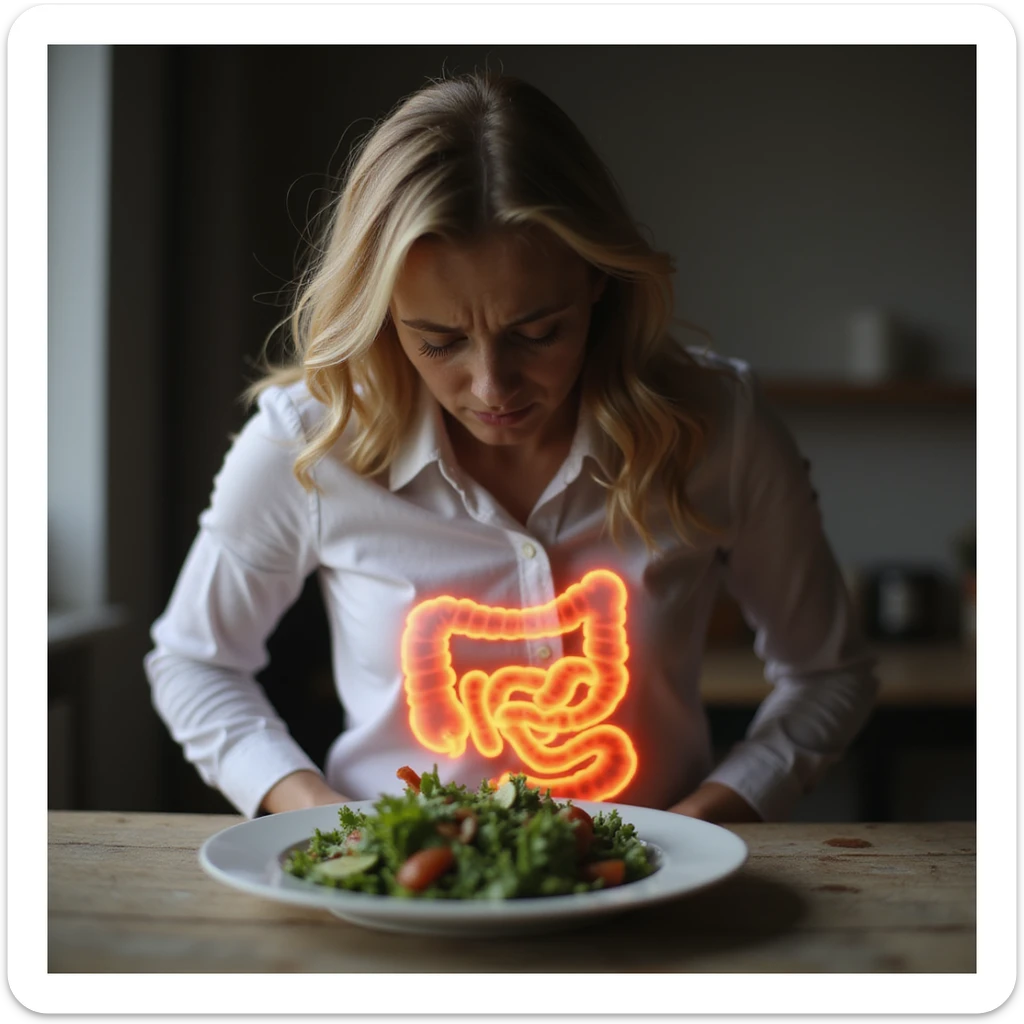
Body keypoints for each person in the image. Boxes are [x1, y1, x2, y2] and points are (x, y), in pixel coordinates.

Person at [145, 72, 878, 823]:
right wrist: (324, 818)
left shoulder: (719, 428)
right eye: (440, 342)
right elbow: (194, 663)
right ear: (382, 311)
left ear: (598, 281)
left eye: (538, 332)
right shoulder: (310, 442)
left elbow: (828, 675)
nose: (493, 386)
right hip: (398, 881)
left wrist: (709, 822)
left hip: (662, 879)